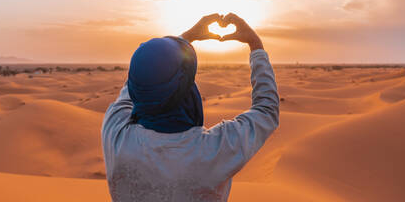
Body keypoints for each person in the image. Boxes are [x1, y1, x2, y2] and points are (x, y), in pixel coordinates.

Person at [102, 13, 279, 202]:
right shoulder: (214, 150)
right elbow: (266, 109)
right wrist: (255, 45)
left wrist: (184, 39)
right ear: (186, 88)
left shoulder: (116, 134)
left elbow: (138, 82)